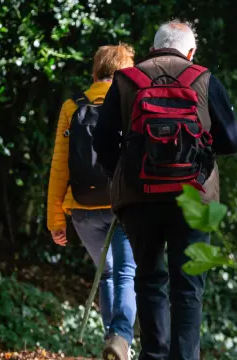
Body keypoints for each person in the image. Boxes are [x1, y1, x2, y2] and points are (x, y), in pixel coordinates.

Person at [92, 19, 237, 360]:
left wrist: (122, 172)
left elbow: (101, 141)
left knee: (148, 278)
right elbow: (232, 140)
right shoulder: (203, 78)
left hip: (140, 197)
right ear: (190, 51)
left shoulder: (128, 80)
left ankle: (154, 355)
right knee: (188, 286)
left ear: (154, 47)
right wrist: (199, 152)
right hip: (194, 198)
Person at [46, 44, 137, 359]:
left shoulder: (73, 106)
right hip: (122, 205)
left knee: (108, 272)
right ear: (127, 72)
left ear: (95, 71)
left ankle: (113, 338)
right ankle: (121, 337)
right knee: (126, 272)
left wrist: (56, 220)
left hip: (82, 209)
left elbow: (60, 166)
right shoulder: (132, 103)